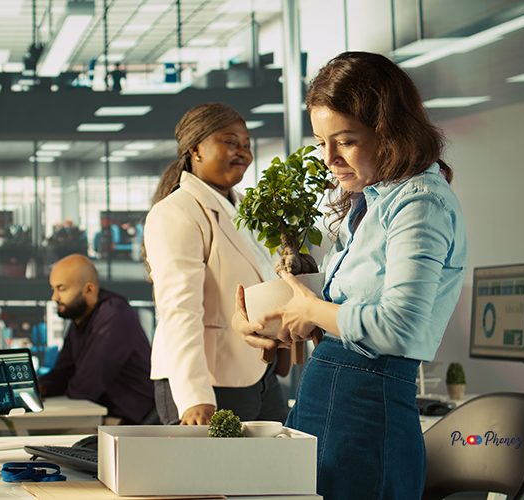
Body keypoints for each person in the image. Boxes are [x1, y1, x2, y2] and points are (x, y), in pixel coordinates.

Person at [233, 51, 467, 499]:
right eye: (322, 142)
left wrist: (313, 311)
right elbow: (350, 306)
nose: (329, 158)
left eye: (346, 141)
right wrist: (279, 318)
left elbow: (400, 327)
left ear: (391, 133)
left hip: (365, 416)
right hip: (328, 401)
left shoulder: (419, 205)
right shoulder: (371, 202)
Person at [144, 103, 289, 426]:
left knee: (278, 472)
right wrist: (195, 397)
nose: (243, 152)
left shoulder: (244, 210)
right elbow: (180, 310)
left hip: (258, 375)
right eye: (230, 142)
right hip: (207, 382)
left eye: (247, 145)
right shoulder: (177, 212)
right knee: (212, 477)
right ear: (195, 148)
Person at [38, 254, 156, 424]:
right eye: (53, 289)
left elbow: (86, 385)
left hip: (138, 424)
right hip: (110, 419)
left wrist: (55, 386)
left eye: (61, 289)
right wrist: (39, 388)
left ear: (89, 289)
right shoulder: (81, 319)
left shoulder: (114, 315)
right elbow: (63, 372)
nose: (54, 297)